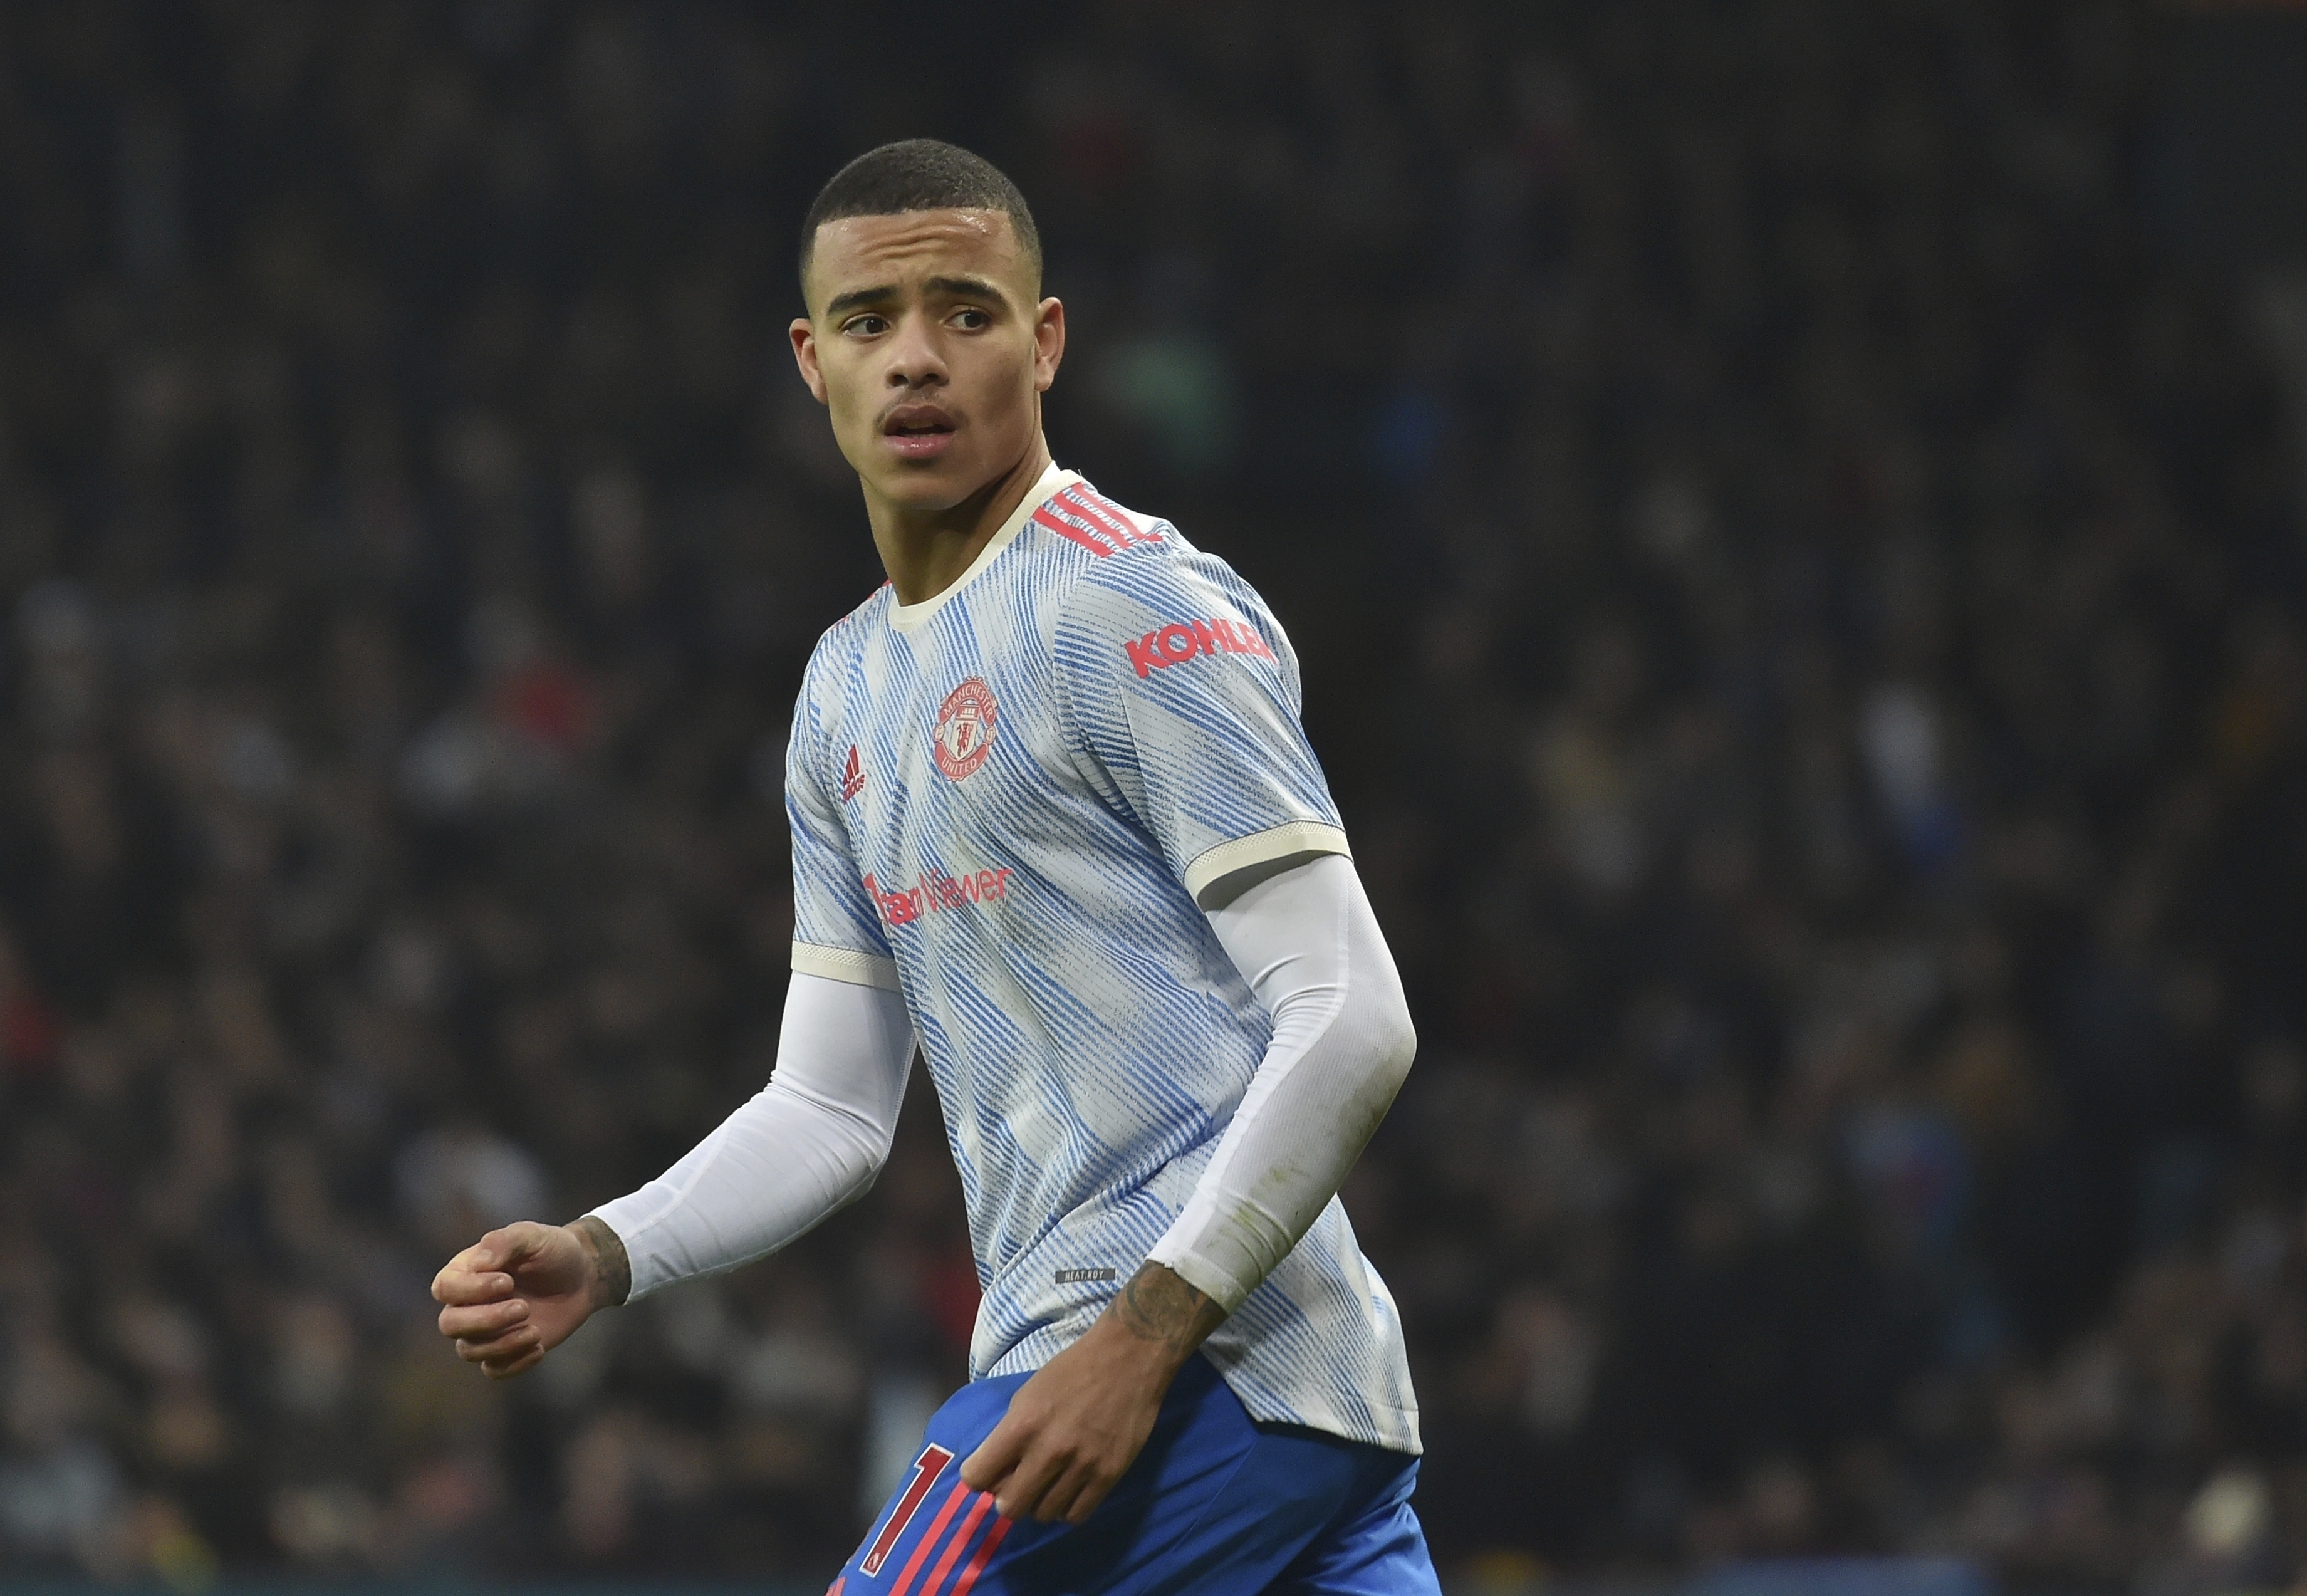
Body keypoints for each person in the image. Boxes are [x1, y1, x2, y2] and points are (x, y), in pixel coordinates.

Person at [432, 138, 1440, 1595]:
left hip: (1181, 1363)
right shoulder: (844, 691)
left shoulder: (1128, 603)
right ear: (811, 360)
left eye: (965, 313)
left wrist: (1141, 1335)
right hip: (1279, 1395)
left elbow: (1352, 1009)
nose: (915, 357)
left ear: (1044, 343)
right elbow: (829, 1107)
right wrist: (607, 1249)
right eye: (868, 321)